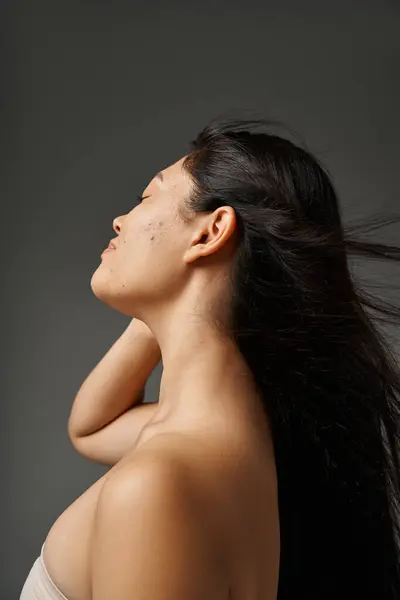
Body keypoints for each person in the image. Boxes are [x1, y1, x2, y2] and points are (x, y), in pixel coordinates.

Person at [20, 113, 400, 600]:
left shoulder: (160, 483)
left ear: (210, 231)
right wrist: (167, 305)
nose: (120, 220)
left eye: (146, 197)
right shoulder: (239, 431)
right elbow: (91, 429)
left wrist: (175, 292)